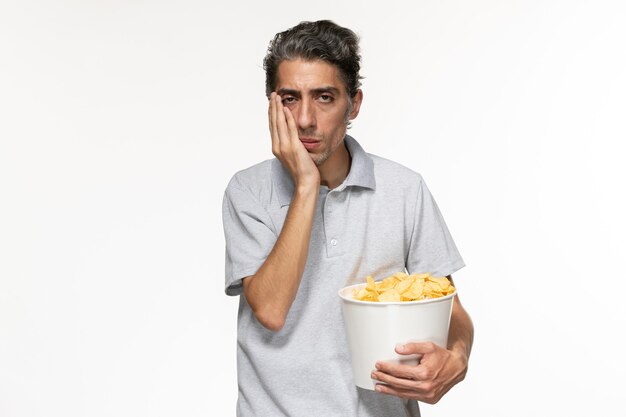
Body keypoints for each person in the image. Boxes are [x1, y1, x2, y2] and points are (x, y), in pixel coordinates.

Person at [222, 20, 474, 417]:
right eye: (290, 98)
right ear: (272, 104)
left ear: (354, 104)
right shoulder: (248, 191)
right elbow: (269, 310)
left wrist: (456, 360)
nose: (305, 119)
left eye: (324, 97)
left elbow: (452, 311)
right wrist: (306, 184)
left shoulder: (404, 189)